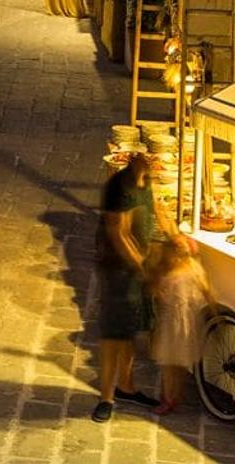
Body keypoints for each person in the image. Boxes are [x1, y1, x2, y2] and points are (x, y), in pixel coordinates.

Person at [93, 152, 160, 422]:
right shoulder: (118, 187)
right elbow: (118, 233)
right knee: (114, 335)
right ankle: (106, 397)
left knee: (129, 331)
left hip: (137, 268)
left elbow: (157, 210)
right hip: (118, 272)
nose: (152, 161)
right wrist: (140, 266)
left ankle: (126, 386)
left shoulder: (146, 182)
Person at [146, 233, 212, 417]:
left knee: (168, 365)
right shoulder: (195, 270)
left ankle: (167, 398)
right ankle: (175, 396)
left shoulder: (170, 274)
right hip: (188, 324)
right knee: (181, 364)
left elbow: (157, 294)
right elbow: (207, 292)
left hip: (171, 325)